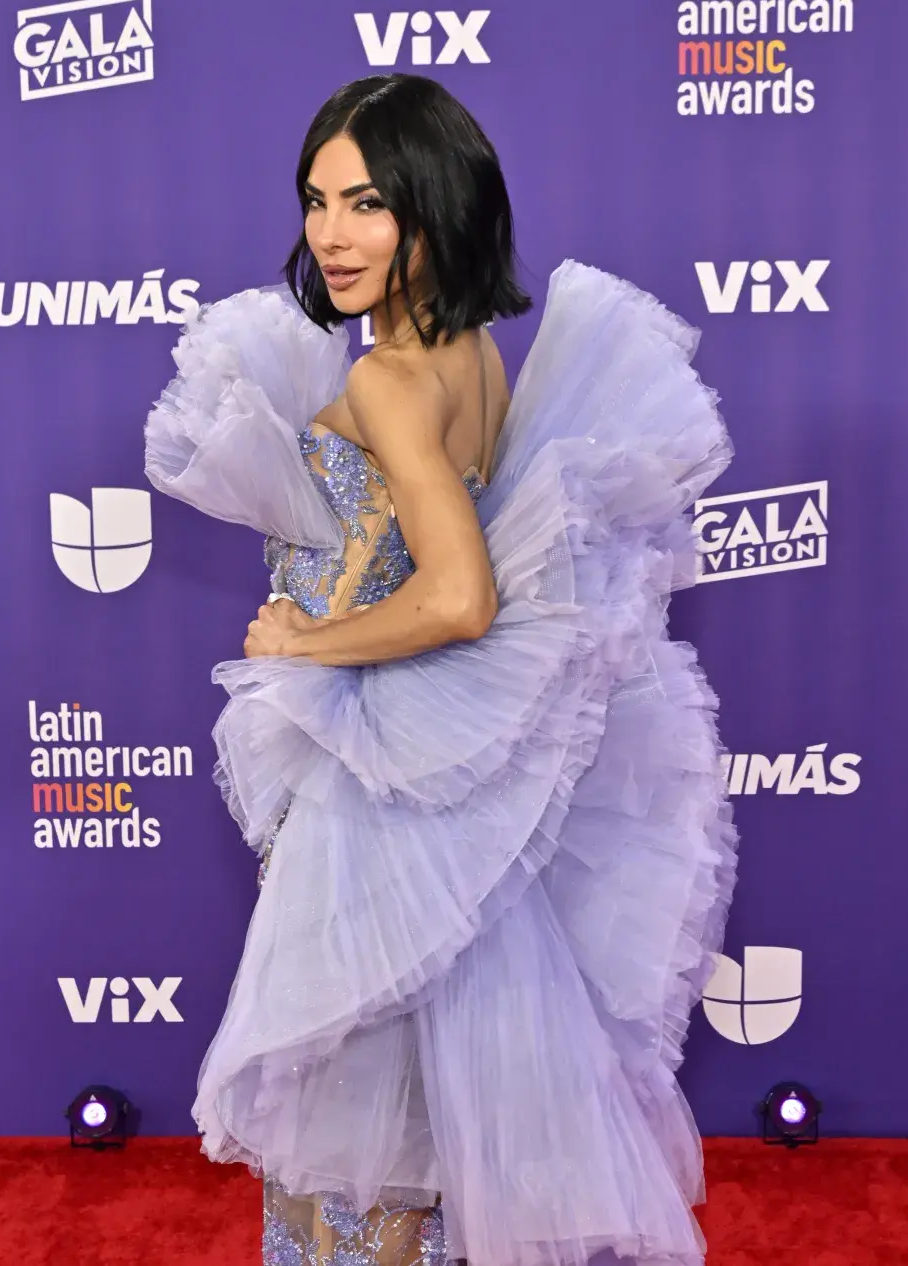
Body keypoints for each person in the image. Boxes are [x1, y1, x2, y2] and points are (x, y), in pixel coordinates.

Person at [145, 73, 738, 1266]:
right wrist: (326, 594)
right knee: (425, 1100)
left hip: (379, 776)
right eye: (316, 202)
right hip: (419, 765)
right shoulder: (468, 353)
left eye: (367, 203)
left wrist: (302, 640)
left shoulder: (388, 376)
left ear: (434, 204)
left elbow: (462, 596)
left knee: (351, 1114)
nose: (332, 234)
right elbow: (418, 553)